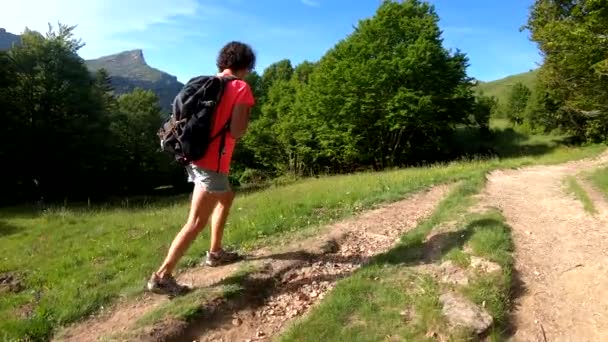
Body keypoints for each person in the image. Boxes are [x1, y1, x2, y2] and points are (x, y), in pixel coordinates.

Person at [147, 41, 256, 295]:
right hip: (212, 164)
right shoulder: (241, 87)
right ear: (245, 66)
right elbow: (237, 131)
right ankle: (162, 277)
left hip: (193, 158)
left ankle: (216, 252)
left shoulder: (205, 83)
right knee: (196, 221)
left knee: (226, 197)